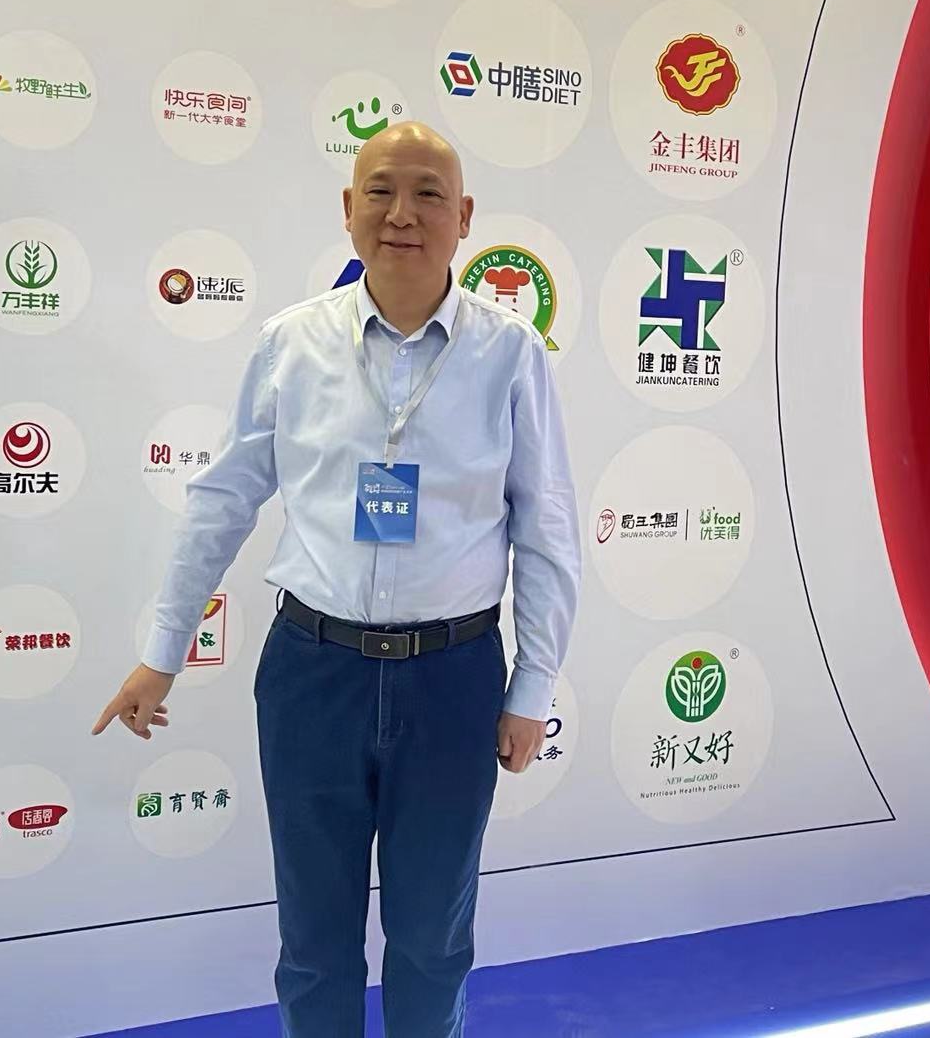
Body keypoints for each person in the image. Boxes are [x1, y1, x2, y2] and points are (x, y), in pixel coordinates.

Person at [93, 121, 582, 1038]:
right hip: (313, 674)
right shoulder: (293, 344)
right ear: (349, 209)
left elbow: (546, 526)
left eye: (429, 193)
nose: (403, 213)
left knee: (432, 938)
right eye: (381, 191)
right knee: (314, 942)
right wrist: (162, 651)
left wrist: (532, 688)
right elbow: (223, 500)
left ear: (465, 215)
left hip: (453, 678)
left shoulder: (509, 352)